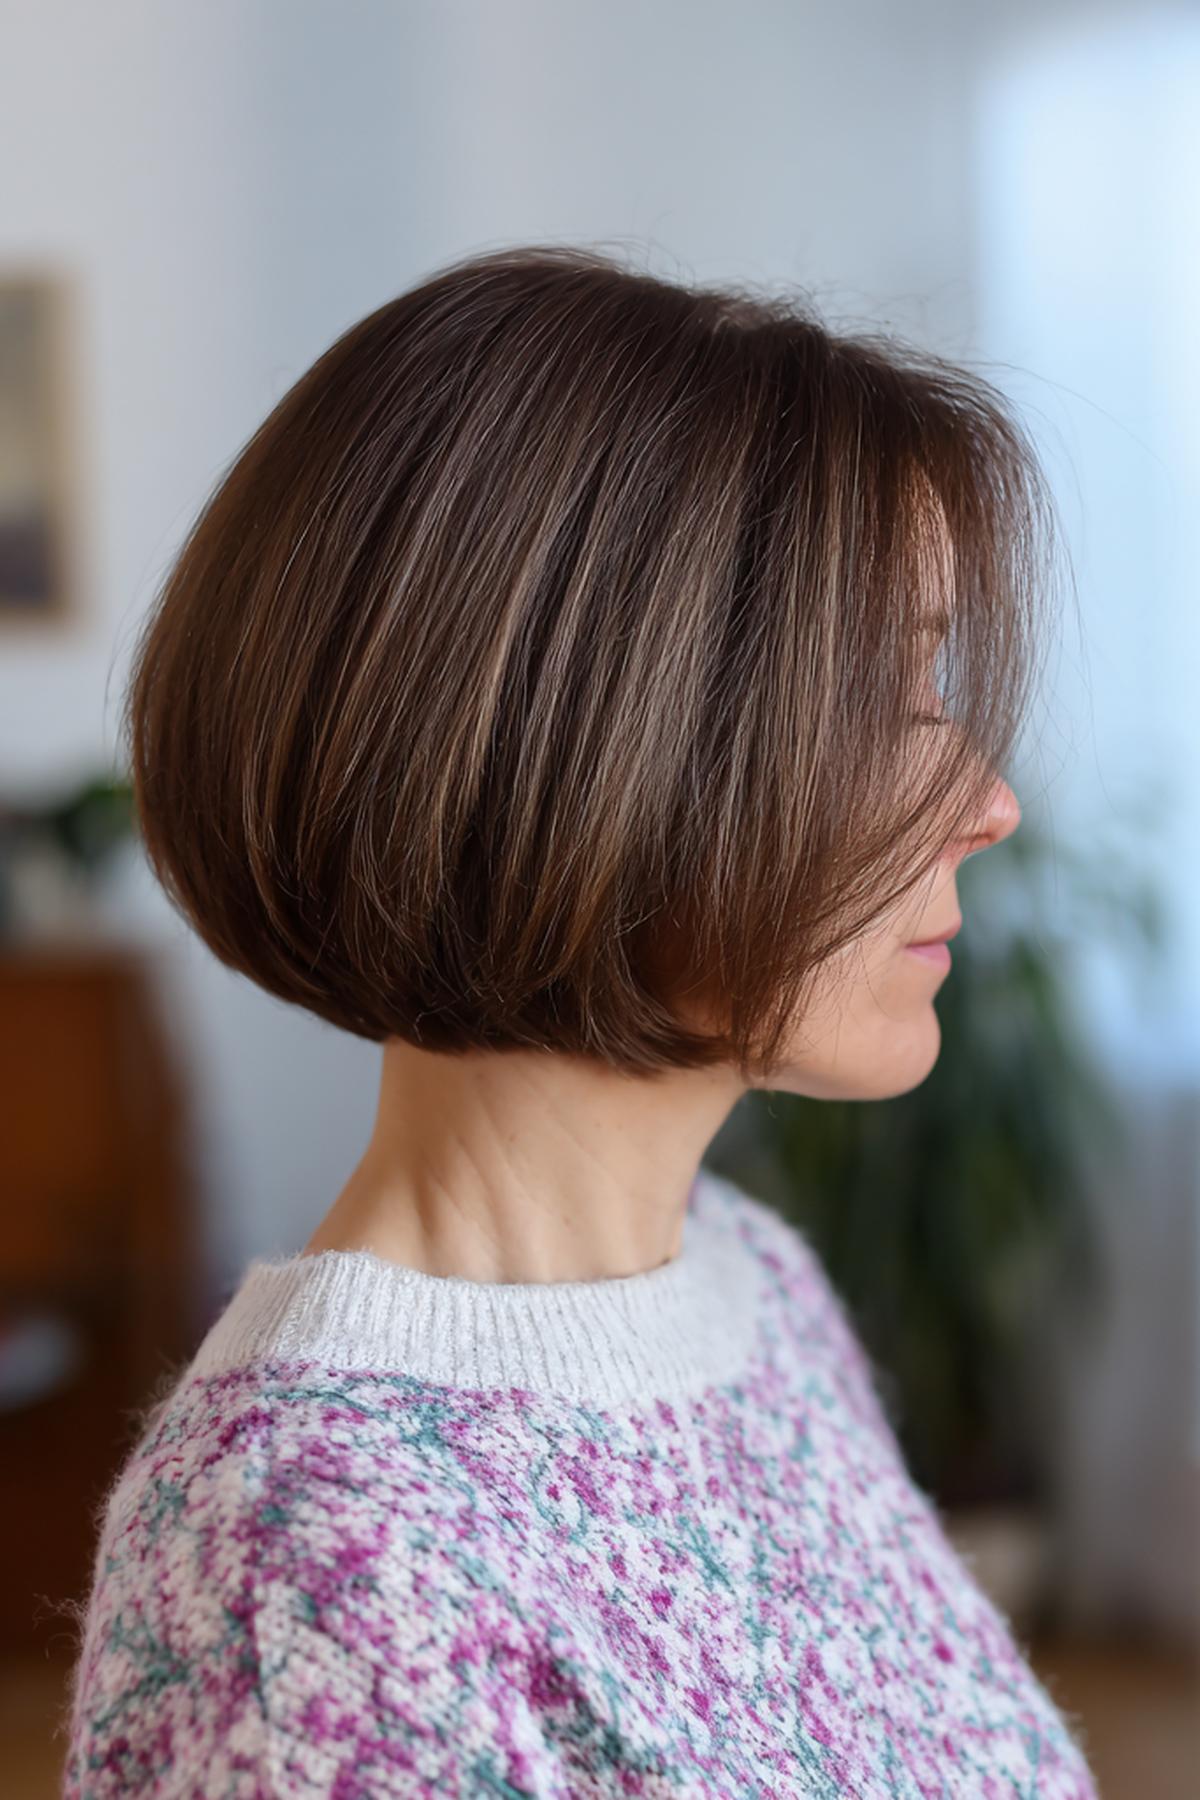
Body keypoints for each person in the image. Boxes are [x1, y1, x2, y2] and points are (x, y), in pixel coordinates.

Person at [60, 244, 1097, 1796]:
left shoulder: (759, 1295)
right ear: (598, 742)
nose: (988, 803)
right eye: (894, 697)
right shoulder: (315, 1565)